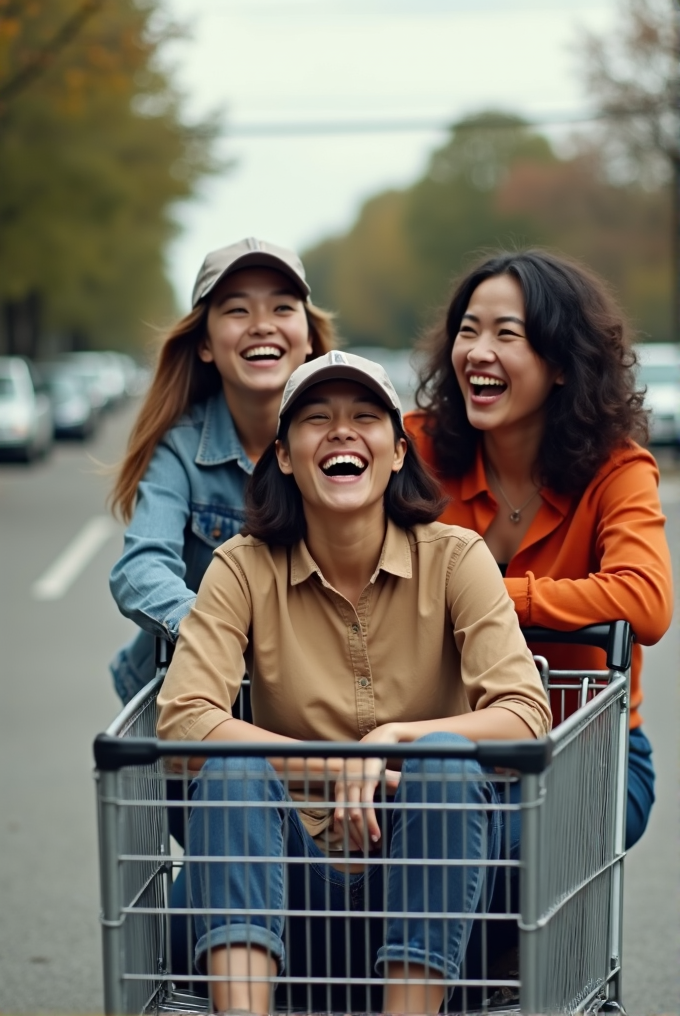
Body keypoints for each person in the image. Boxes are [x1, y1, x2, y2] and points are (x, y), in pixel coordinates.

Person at [156, 351, 551, 1015]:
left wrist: (398, 740)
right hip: (288, 899)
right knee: (230, 769)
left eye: (364, 417)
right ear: (284, 456)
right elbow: (184, 718)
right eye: (316, 419)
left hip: (433, 899)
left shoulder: (456, 558)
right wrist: (329, 763)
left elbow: (525, 713)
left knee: (447, 765)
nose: (341, 431)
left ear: (397, 452)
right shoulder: (240, 567)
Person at [406, 248, 673, 851]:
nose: (478, 351)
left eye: (508, 334)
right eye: (467, 330)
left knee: (470, 853)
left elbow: (647, 601)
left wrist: (487, 594)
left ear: (560, 363)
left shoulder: (617, 470)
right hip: (439, 747)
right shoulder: (414, 446)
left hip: (582, 752)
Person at [109, 238, 337, 704]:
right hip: (195, 690)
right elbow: (140, 567)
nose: (261, 326)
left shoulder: (348, 442)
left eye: (281, 308)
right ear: (206, 344)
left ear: (310, 338)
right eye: (237, 311)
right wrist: (221, 628)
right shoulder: (180, 445)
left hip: (314, 696)